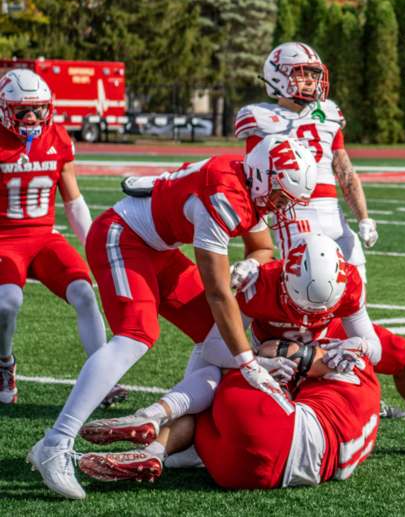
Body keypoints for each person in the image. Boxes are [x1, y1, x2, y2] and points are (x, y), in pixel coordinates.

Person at [27, 136, 318, 500]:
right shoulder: (224, 197)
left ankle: (175, 429)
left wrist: (250, 264)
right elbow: (218, 293)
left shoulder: (248, 183)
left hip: (157, 247)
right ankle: (55, 444)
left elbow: (262, 247)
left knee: (215, 336)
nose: (280, 206)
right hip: (122, 236)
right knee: (137, 334)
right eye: (279, 196)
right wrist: (247, 361)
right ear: (262, 176)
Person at [80, 234, 405, 457]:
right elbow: (219, 346)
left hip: (326, 341)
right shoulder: (259, 283)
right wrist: (259, 360)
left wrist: (356, 347)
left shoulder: (347, 284)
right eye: (297, 305)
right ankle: (154, 435)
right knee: (213, 381)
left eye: (315, 307)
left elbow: (370, 340)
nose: (304, 314)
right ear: (284, 277)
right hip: (266, 348)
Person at [78, 337, 381, 489]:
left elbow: (291, 353)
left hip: (281, 432)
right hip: (252, 476)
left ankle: (154, 414)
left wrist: (259, 357)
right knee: (201, 417)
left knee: (225, 361)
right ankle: (156, 453)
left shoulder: (351, 359)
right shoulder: (368, 417)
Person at [0, 69, 126, 407]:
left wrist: (92, 248)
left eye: (38, 109)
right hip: (4, 239)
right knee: (7, 302)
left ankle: (101, 376)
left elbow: (73, 200)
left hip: (43, 237)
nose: (31, 117)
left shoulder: (57, 137)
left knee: (84, 293)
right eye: (22, 110)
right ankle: (4, 365)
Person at [234, 42, 378, 281]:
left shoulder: (328, 113)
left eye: (314, 74)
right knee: (314, 287)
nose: (311, 80)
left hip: (334, 214)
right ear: (278, 76)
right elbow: (253, 184)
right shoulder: (260, 118)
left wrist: (364, 217)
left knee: (356, 278)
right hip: (293, 215)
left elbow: (345, 173)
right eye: (302, 73)